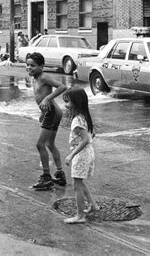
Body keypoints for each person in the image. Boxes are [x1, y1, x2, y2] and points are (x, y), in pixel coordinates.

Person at [26, 53, 67, 190]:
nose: (29, 68)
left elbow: (62, 87)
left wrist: (47, 98)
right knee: (49, 144)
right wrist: (42, 113)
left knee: (40, 144)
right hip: (50, 112)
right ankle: (60, 174)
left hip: (52, 112)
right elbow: (40, 95)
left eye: (32, 65)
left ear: (41, 66)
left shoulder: (44, 77)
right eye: (28, 65)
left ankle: (46, 177)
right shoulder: (35, 78)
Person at [62, 87, 99, 224]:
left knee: (76, 185)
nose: (66, 105)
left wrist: (71, 155)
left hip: (81, 154)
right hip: (88, 152)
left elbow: (85, 139)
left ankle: (80, 215)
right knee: (80, 181)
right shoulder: (85, 116)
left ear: (76, 102)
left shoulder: (77, 120)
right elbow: (92, 135)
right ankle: (93, 205)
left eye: (68, 102)